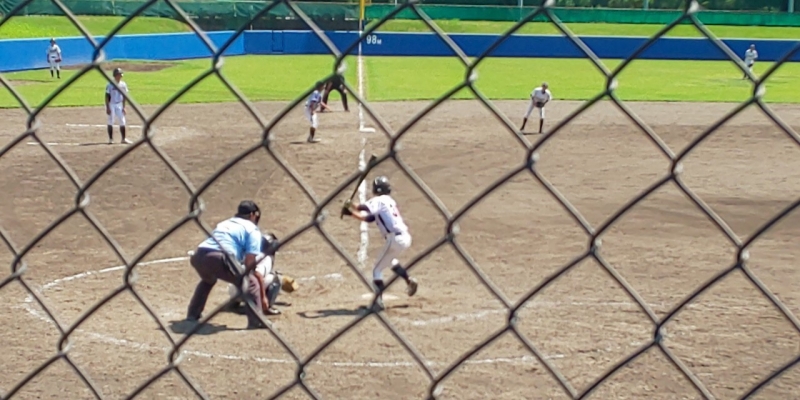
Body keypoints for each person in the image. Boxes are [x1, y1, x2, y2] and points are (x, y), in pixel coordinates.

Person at [187, 200, 272, 329]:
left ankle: (193, 314)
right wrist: (251, 277)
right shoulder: (252, 229)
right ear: (252, 215)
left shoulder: (225, 223)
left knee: (208, 280)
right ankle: (256, 320)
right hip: (220, 257)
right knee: (251, 283)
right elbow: (250, 260)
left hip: (199, 255)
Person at [343, 176, 418, 310]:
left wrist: (351, 208)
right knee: (390, 261)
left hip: (394, 239)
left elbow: (364, 210)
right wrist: (351, 210)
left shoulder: (379, 200)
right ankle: (409, 280)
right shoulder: (388, 201)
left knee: (377, 269)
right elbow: (370, 217)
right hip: (405, 237)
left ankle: (378, 301)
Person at [226, 232, 283, 315]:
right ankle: (265, 307)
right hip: (247, 292)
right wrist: (263, 298)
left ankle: (234, 303)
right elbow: (257, 275)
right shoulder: (266, 258)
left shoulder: (250, 253)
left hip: (232, 289)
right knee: (277, 278)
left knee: (247, 275)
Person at [105, 68, 132, 144]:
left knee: (122, 121)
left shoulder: (123, 85)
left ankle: (123, 139)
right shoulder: (110, 85)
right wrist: (108, 107)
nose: (121, 76)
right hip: (112, 104)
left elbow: (124, 96)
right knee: (111, 120)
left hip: (119, 104)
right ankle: (111, 139)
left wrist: (124, 107)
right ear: (116, 75)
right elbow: (107, 96)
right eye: (119, 74)